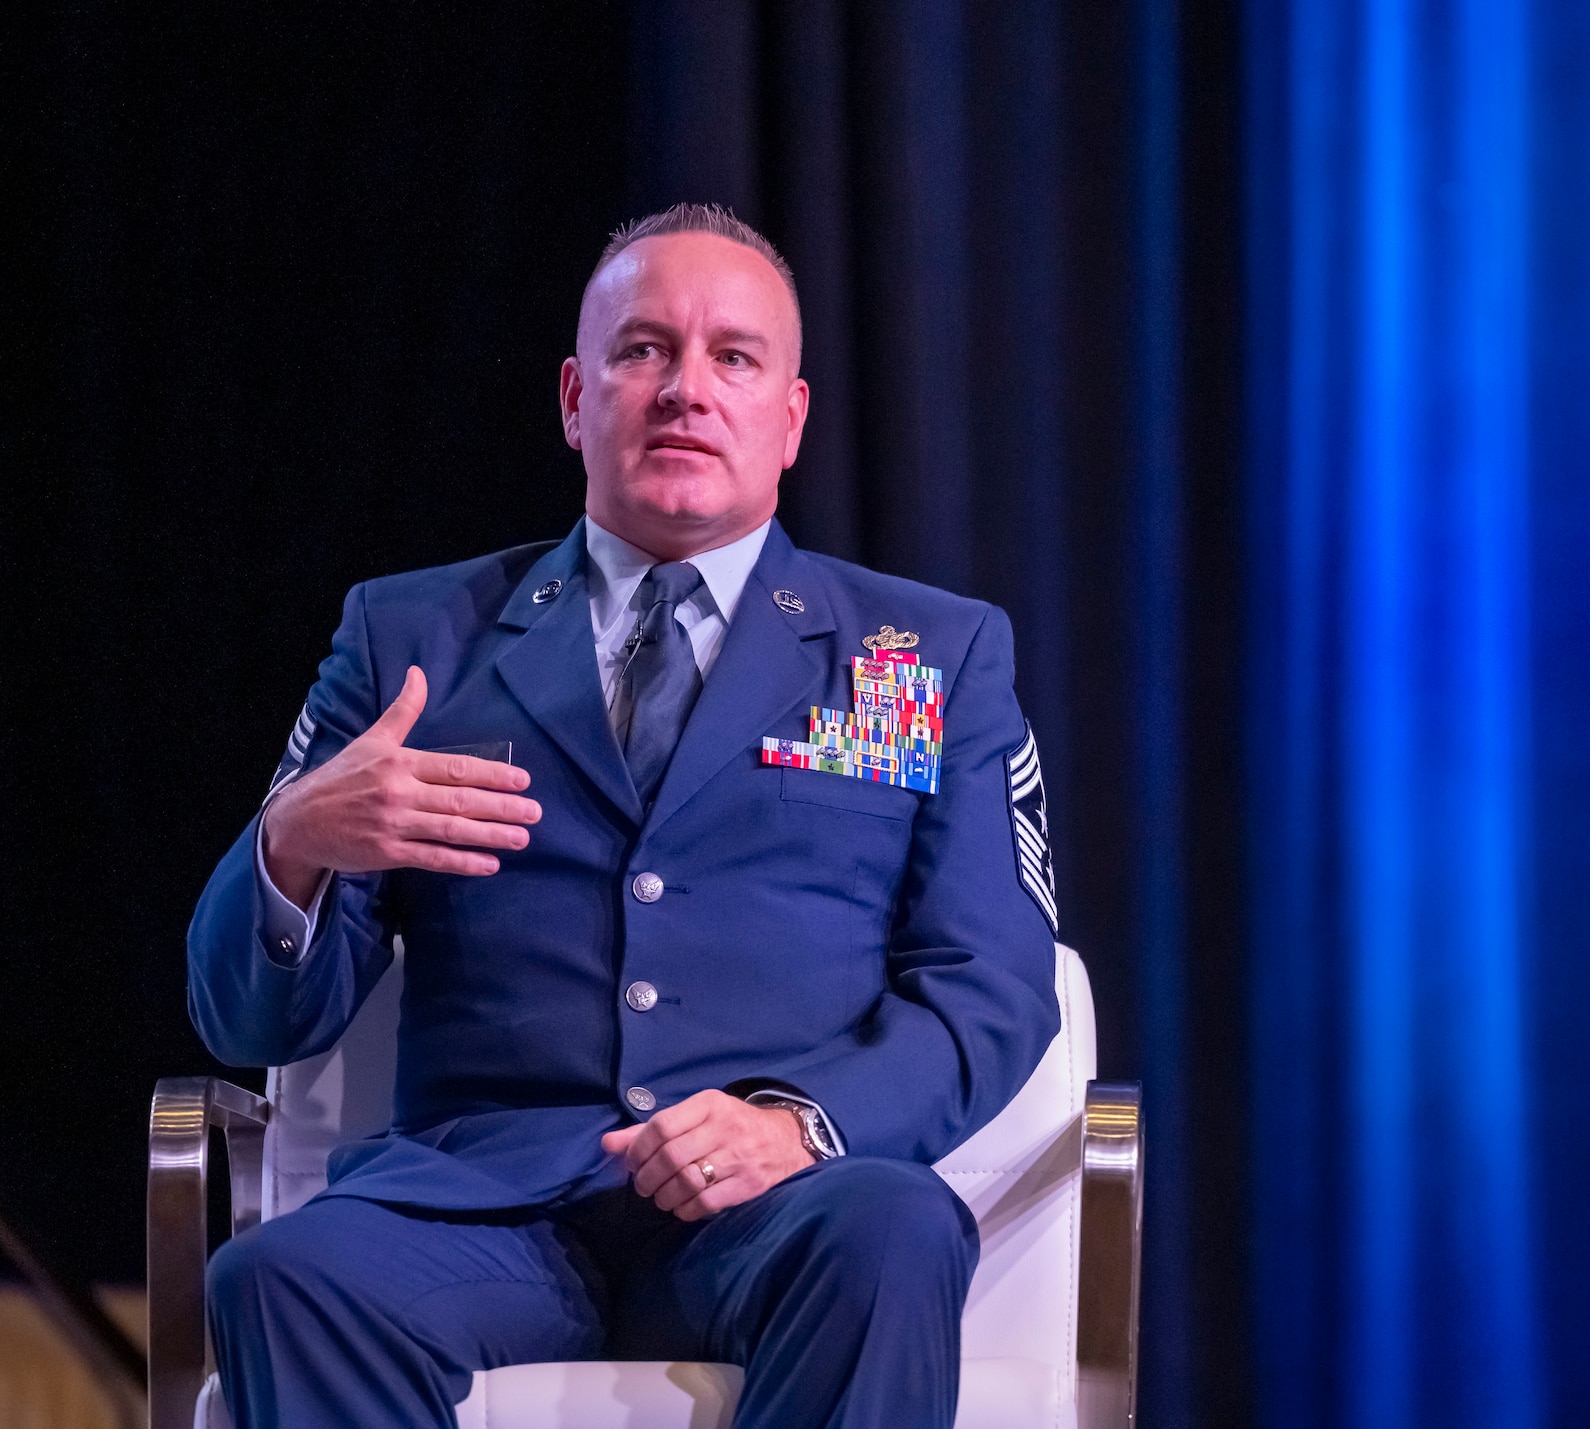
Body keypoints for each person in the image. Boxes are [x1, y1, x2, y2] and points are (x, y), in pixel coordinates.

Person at [186, 204, 1060, 1429]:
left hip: (773, 1208)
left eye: (732, 357)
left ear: (790, 416)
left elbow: (990, 984)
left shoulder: (921, 656)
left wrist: (801, 1126)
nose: (684, 390)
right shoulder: (410, 639)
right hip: (479, 1210)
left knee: (890, 1228)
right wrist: (292, 846)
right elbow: (249, 1017)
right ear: (572, 397)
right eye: (642, 350)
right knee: (280, 1278)